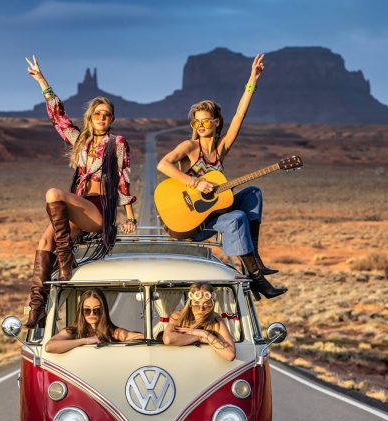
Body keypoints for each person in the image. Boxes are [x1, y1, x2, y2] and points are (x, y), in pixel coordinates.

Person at [156, 54, 286, 300]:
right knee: (236, 216)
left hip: (214, 214)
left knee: (253, 192)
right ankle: (256, 277)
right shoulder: (189, 147)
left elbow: (239, 116)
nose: (202, 125)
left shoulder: (220, 149)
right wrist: (196, 182)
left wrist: (252, 80)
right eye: (197, 122)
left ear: (216, 123)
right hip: (193, 223)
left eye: (207, 121)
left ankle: (253, 257)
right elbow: (163, 164)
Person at [25, 54, 138, 328]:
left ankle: (66, 263)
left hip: (98, 210)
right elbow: (58, 117)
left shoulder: (116, 142)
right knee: (43, 243)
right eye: (98, 114)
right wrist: (42, 81)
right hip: (77, 209)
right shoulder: (80, 140)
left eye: (107, 115)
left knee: (53, 194)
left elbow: (123, 179)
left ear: (111, 119)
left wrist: (130, 217)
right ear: (90, 117)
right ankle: (37, 310)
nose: (102, 118)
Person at [45, 289, 143, 353]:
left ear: (103, 311)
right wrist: (84, 341)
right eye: (87, 310)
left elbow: (142, 337)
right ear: (81, 312)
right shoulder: (73, 331)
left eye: (97, 310)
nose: (92, 314)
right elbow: (49, 347)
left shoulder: (112, 332)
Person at [162, 283, 236, 361]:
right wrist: (199, 338)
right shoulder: (179, 317)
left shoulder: (215, 320)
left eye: (206, 304)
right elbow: (168, 339)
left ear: (212, 305)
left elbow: (230, 355)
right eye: (197, 304)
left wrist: (204, 334)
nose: (201, 309)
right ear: (190, 303)